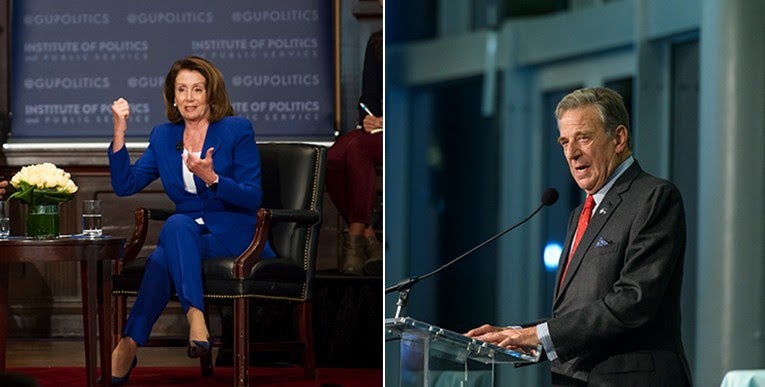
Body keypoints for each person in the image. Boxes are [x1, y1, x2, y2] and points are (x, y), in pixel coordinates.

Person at [466, 87, 692, 386]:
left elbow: (633, 301)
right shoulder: (580, 214)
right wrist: (515, 333)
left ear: (619, 138)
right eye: (564, 141)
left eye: (583, 138)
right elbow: (578, 310)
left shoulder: (654, 197)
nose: (572, 153)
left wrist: (537, 335)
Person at [106, 56, 275, 385]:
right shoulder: (163, 136)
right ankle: (196, 320)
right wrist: (120, 130)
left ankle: (129, 343)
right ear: (172, 95)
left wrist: (213, 179)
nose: (189, 97)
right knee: (178, 227)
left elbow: (253, 197)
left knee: (165, 249)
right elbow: (124, 185)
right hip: (187, 234)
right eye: (181, 89)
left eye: (197, 89)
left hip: (235, 233)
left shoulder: (236, 130)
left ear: (211, 94)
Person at [325, 24, 383, 276]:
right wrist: (367, 118)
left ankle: (355, 240)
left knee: (357, 149)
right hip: (377, 127)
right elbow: (367, 97)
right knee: (332, 157)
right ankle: (370, 240)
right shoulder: (376, 41)